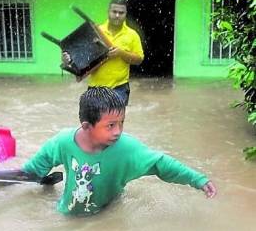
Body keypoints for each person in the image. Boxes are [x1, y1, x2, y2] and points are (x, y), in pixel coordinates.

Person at [22, 87, 217, 216]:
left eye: (121, 123)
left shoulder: (126, 149)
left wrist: (198, 180)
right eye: (111, 125)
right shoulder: (63, 142)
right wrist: (2, 182)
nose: (118, 131)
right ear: (87, 126)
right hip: (66, 214)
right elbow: (34, 169)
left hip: (108, 212)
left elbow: (161, 164)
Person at [62, 0, 144, 105]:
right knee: (94, 122)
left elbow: (139, 60)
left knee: (114, 121)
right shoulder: (95, 31)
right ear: (108, 12)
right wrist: (68, 61)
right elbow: (81, 62)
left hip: (119, 89)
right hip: (95, 89)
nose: (117, 15)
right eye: (114, 12)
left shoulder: (132, 35)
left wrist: (120, 53)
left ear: (125, 14)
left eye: (121, 12)